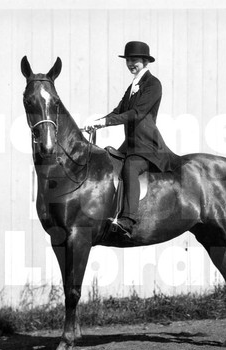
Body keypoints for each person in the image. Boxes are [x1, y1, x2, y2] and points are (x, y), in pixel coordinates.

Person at [85, 41, 181, 237]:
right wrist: (97, 121)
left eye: (134, 60)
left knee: (130, 167)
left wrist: (106, 122)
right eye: (128, 60)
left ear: (145, 61)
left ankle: (128, 220)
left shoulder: (153, 84)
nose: (130, 64)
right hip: (129, 146)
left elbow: (137, 113)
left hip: (147, 146)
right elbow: (119, 110)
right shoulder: (132, 86)